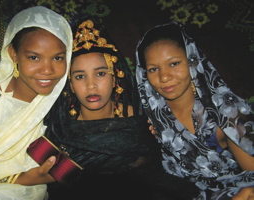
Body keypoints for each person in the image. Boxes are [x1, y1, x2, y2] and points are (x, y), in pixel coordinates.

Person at [44, 18, 200, 200]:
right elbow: (55, 183)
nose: (91, 85)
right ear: (70, 84)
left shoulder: (143, 118)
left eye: (100, 74)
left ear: (115, 77)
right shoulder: (59, 127)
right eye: (80, 76)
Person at [0, 6, 72, 199]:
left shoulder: (60, 102)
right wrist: (22, 179)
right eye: (34, 57)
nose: (47, 70)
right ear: (13, 54)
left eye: (58, 58)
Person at [135, 20, 254, 199]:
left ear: (192, 61)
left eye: (174, 63)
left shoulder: (226, 112)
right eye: (153, 69)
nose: (164, 76)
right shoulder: (153, 117)